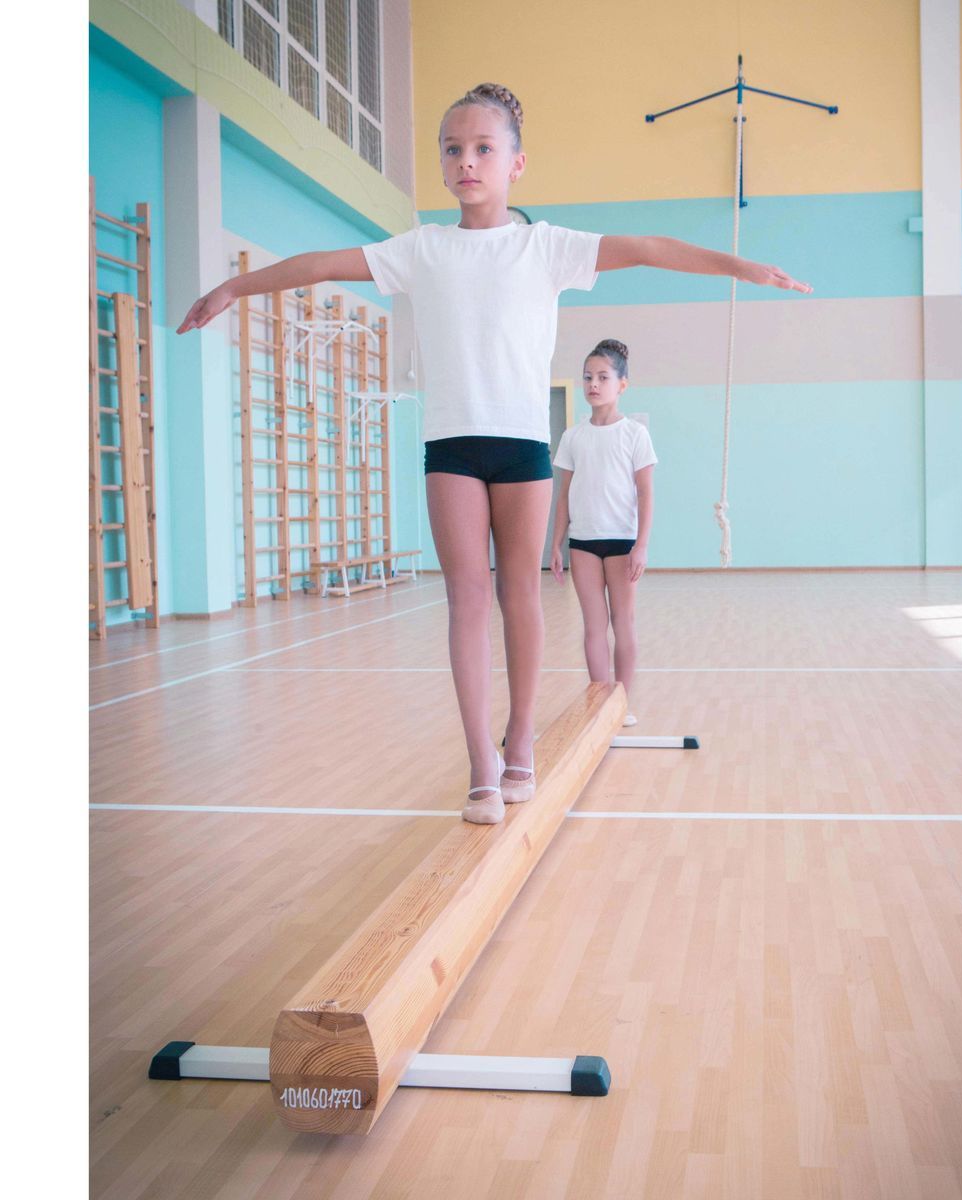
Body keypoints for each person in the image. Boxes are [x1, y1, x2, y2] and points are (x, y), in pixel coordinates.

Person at [177, 82, 812, 825]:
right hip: (450, 445)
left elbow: (648, 248)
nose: (466, 161)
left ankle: (521, 741)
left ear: (517, 163)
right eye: (453, 149)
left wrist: (742, 268)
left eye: (483, 148)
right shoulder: (421, 249)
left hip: (521, 448)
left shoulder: (546, 247)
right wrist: (234, 287)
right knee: (467, 600)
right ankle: (481, 759)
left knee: (519, 596)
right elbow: (318, 265)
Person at [551, 340, 654, 727]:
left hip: (622, 542)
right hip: (583, 543)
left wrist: (641, 545)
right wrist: (556, 544)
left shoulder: (635, 434)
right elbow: (564, 494)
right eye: (588, 377)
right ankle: (600, 702)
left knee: (622, 622)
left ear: (622, 384)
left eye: (603, 377)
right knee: (594, 626)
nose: (593, 384)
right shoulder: (573, 437)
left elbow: (645, 493)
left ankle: (621, 704)